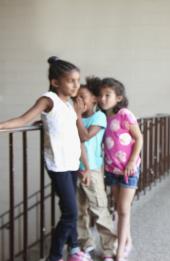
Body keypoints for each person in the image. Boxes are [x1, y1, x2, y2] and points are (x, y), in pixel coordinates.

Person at [0, 57, 88, 261]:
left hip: (72, 162)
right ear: (56, 82)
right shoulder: (49, 99)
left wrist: (78, 114)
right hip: (57, 164)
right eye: (71, 80)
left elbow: (79, 135)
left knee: (69, 208)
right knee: (71, 213)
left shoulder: (69, 104)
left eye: (78, 80)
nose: (76, 85)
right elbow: (24, 119)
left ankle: (74, 246)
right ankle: (54, 256)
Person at [98, 78, 143, 261]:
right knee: (118, 209)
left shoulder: (124, 114)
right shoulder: (103, 117)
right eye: (100, 95)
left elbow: (139, 138)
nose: (102, 98)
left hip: (128, 170)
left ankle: (119, 253)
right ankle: (127, 241)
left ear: (118, 97)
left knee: (124, 209)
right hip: (111, 170)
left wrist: (132, 162)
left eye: (107, 95)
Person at [75, 77, 117, 261]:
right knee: (79, 211)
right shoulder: (76, 117)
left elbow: (84, 137)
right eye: (76, 98)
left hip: (92, 169)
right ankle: (86, 245)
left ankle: (108, 249)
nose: (79, 101)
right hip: (75, 169)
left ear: (93, 99)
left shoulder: (98, 117)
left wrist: (76, 115)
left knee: (99, 208)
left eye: (83, 97)